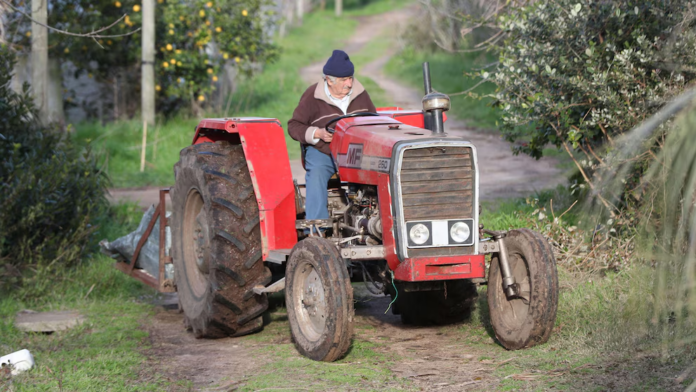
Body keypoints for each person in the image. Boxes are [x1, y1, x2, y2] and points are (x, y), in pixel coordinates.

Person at [288, 50, 376, 221]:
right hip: (324, 151)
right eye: (344, 80)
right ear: (329, 79)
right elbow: (294, 126)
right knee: (317, 173)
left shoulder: (360, 93)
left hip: (356, 151)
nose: (349, 84)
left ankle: (375, 222)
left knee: (380, 170)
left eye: (350, 78)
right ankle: (316, 227)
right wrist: (317, 133)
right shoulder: (312, 95)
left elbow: (373, 121)